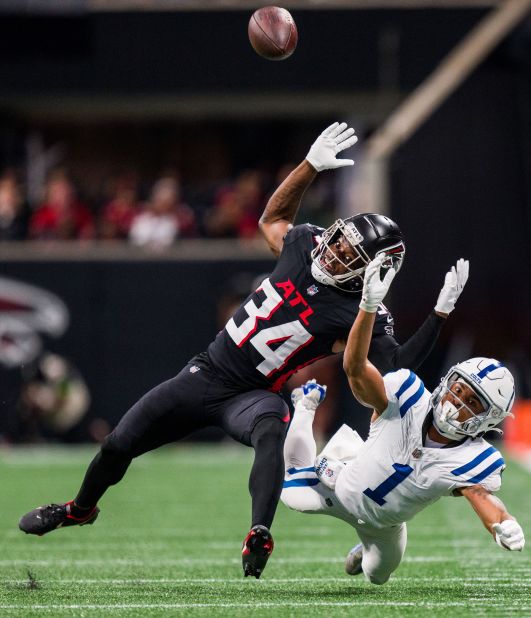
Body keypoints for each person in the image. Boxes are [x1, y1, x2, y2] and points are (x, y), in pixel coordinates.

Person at [19, 122, 466, 580]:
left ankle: (259, 531)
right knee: (119, 443)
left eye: (350, 255)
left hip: (252, 395)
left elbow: (396, 369)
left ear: (373, 271)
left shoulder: (359, 308)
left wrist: (438, 314)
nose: (334, 253)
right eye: (339, 242)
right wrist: (308, 167)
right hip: (205, 372)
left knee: (271, 430)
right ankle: (79, 508)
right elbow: (272, 219)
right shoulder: (305, 245)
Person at [281, 255, 525, 585]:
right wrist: (368, 305)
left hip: (385, 525)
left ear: (487, 419)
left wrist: (503, 522)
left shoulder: (473, 457)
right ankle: (305, 407)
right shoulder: (407, 397)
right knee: (291, 494)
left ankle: (363, 547)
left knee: (376, 575)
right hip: (339, 488)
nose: (457, 403)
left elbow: (481, 497)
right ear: (447, 382)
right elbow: (355, 368)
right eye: (458, 390)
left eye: (472, 403)